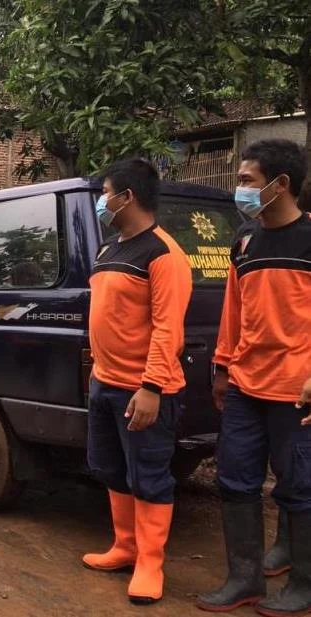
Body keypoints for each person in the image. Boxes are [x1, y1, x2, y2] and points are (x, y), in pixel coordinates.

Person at [197, 139, 311, 616]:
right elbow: (234, 313)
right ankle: (244, 579)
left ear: (281, 184)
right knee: (236, 478)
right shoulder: (244, 241)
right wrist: (223, 368)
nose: (240, 190)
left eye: (247, 181)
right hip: (246, 385)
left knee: (300, 486)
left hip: (296, 390)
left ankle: (304, 584)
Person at [82, 159, 192, 605]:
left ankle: (150, 562)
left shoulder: (163, 253)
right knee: (110, 468)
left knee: (149, 475)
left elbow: (168, 328)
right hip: (103, 382)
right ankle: (125, 547)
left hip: (143, 389)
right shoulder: (110, 249)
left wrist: (151, 386)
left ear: (126, 196)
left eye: (106, 191)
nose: (102, 200)